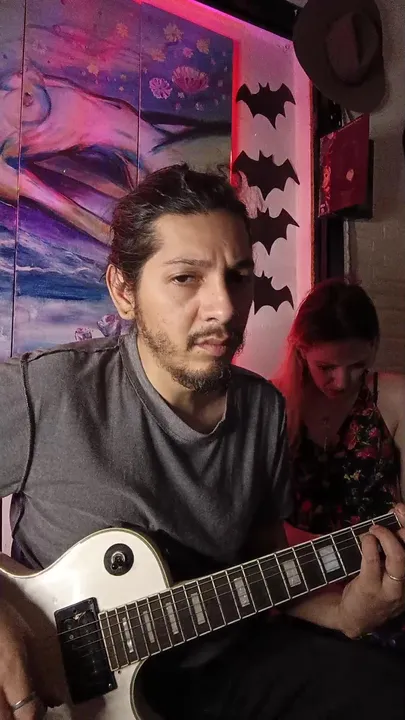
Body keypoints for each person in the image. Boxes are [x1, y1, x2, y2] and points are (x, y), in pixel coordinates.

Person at [1, 168, 405, 720]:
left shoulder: (263, 409)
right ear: (124, 291)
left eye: (238, 277)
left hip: (228, 664)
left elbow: (264, 561)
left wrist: (347, 613)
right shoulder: (46, 390)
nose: (225, 308)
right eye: (186, 277)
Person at [274, 278, 405, 651]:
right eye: (327, 366)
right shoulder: (272, 404)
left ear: (374, 347)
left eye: (357, 365)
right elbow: (255, 527)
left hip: (383, 583)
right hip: (298, 592)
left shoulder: (394, 397)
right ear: (301, 351)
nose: (342, 381)